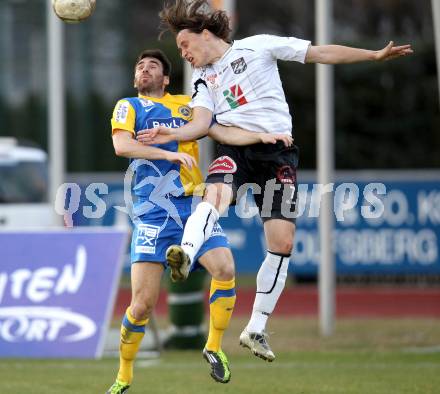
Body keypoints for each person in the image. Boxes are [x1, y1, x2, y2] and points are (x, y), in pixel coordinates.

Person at [137, 0, 413, 363]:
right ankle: (186, 255)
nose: (184, 54)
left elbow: (319, 52)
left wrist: (373, 55)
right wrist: (167, 131)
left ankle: (255, 327)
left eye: (185, 45)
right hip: (237, 149)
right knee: (215, 196)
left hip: (278, 153)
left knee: (283, 242)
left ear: (204, 34)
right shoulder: (203, 80)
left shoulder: (259, 46)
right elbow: (201, 124)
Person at [106, 48, 292, 393]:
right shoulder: (128, 106)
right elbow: (122, 146)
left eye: (153, 66)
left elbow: (221, 132)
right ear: (135, 77)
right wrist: (168, 152)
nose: (145, 69)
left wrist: (260, 136)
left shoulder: (188, 105)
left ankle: (214, 347)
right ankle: (124, 375)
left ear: (165, 79)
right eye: (140, 65)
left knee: (225, 268)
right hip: (152, 212)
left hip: (192, 205)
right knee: (142, 305)